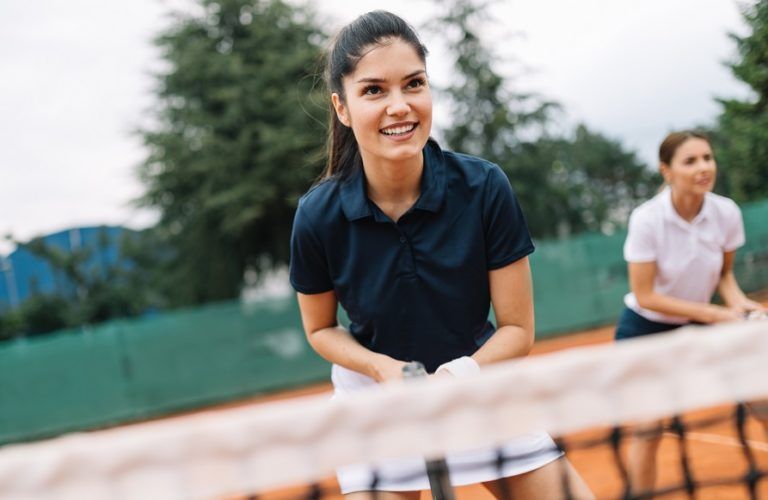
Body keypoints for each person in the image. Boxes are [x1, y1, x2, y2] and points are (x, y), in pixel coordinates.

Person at [289, 10, 593, 500]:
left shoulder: (484, 186)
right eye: (374, 90)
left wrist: (457, 375)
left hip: (478, 388)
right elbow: (320, 329)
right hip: (376, 410)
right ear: (341, 108)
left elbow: (517, 330)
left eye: (414, 84)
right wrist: (382, 369)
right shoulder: (317, 216)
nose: (400, 106)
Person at [615, 130, 767, 495]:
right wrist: (717, 316)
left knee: (763, 400)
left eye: (708, 158)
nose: (703, 167)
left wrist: (741, 306)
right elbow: (645, 295)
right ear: (666, 171)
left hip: (702, 321)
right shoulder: (647, 219)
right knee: (649, 427)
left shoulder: (726, 212)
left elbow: (724, 276)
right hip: (646, 329)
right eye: (690, 161)